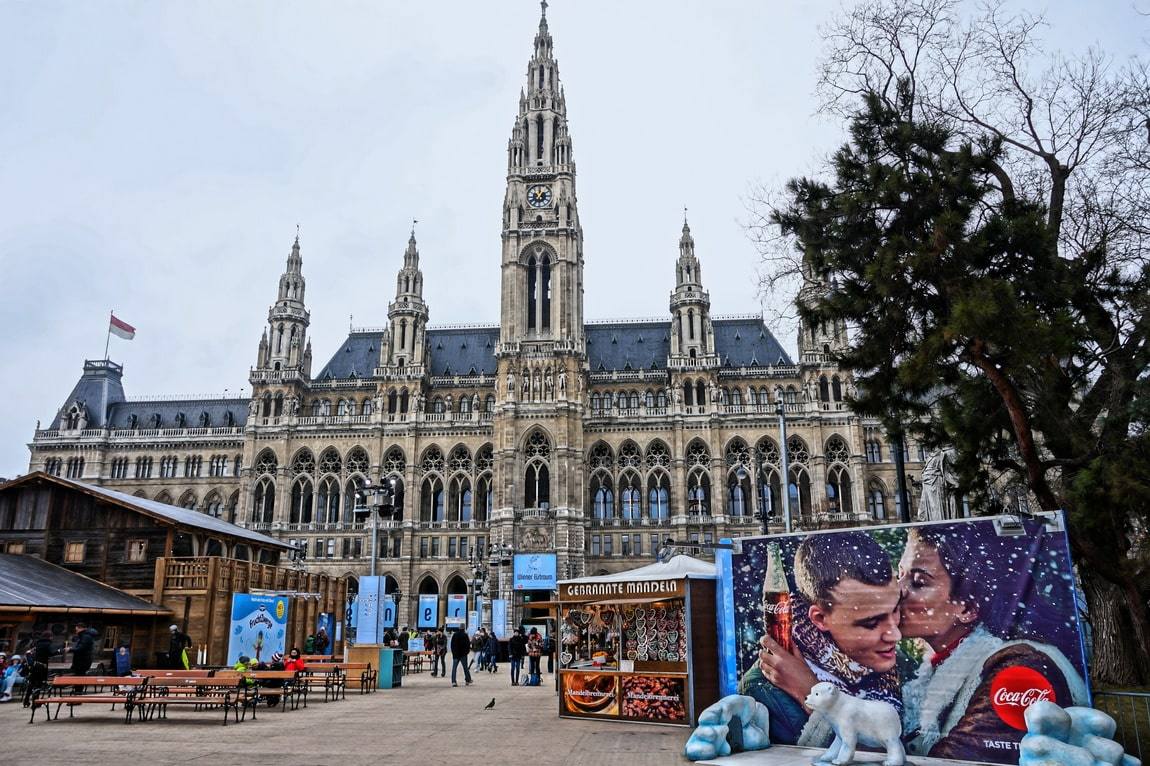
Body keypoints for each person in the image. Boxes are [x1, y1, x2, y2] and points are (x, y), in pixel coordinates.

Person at [897, 525, 1089, 760]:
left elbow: (960, 758)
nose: (896, 591)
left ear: (967, 608)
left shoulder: (1019, 665)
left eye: (918, 582)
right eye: (900, 574)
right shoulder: (934, 670)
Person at [738, 532, 902, 746]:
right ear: (820, 618)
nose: (895, 635)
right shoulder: (762, 688)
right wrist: (812, 696)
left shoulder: (891, 665)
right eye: (870, 623)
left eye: (897, 611)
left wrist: (809, 689)